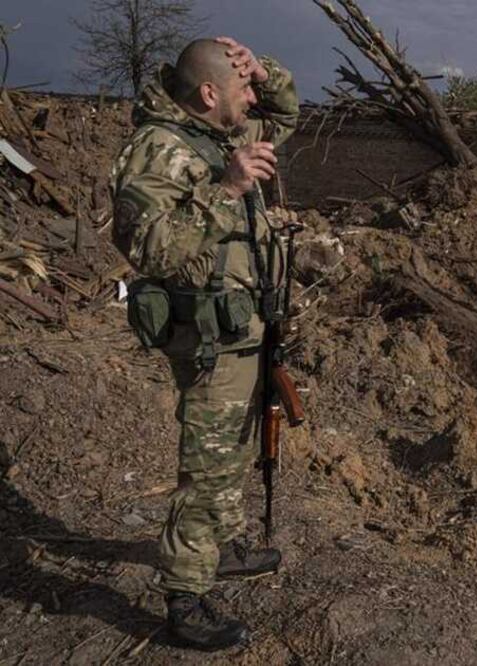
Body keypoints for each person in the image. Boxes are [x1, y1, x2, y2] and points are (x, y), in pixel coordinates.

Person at [110, 37, 299, 651]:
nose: (253, 98)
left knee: (233, 452)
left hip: (246, 328)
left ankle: (223, 545)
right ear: (209, 94)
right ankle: (185, 597)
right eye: (243, 88)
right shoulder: (157, 151)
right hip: (208, 337)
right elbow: (151, 250)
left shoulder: (222, 137)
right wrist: (226, 190)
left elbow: (289, 114)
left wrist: (262, 68)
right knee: (208, 468)